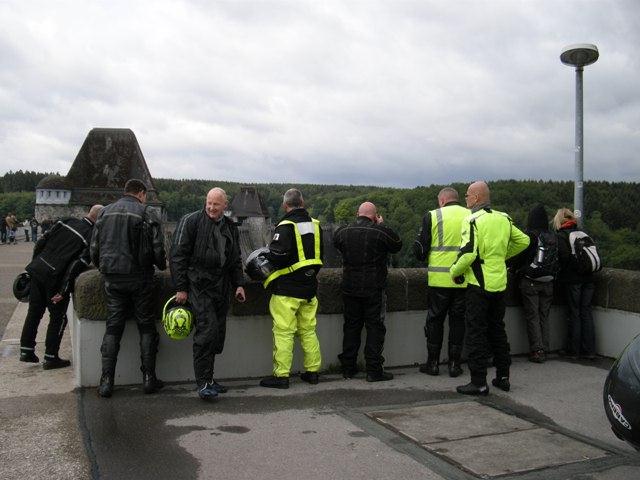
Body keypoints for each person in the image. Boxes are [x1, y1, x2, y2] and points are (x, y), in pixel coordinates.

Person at [450, 181, 530, 395]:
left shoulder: (473, 220)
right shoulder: (503, 218)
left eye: (467, 195)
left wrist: (454, 272)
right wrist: (501, 256)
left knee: (476, 332)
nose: (466, 198)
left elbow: (468, 254)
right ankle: (503, 377)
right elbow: (524, 241)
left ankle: (478, 382)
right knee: (497, 330)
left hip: (478, 285)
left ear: (476, 198)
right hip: (500, 284)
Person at [91, 179, 167, 398]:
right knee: (146, 327)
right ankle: (149, 379)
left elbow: (94, 248)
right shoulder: (147, 212)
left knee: (113, 328)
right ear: (141, 193)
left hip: (113, 278)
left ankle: (106, 381)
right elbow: (157, 248)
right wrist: (162, 265)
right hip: (140, 278)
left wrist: (102, 267)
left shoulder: (105, 212)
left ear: (125, 192)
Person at [170, 187, 246, 400]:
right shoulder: (191, 221)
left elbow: (235, 259)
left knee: (217, 335)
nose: (211, 208)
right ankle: (203, 383)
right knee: (206, 332)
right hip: (198, 285)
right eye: (209, 203)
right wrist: (181, 287)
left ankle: (210, 379)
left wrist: (239, 284)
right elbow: (177, 256)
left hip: (221, 287)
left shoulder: (230, 227)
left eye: (216, 204)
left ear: (225, 206)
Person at [19, 205, 103, 368]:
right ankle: (51, 357)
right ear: (99, 220)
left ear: (89, 213)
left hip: (39, 270)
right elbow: (76, 265)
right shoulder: (91, 236)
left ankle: (26, 350)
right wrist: (63, 290)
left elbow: (41, 242)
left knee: (34, 312)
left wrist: (35, 264)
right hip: (55, 278)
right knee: (58, 317)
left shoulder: (66, 221)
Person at [260, 188, 323, 389]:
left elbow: (277, 256)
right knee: (308, 331)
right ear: (302, 203)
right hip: (309, 288)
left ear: (285, 205)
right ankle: (312, 373)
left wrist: (267, 254)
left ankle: (281, 376)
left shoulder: (286, 226)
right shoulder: (316, 225)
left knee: (284, 332)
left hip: (286, 291)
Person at [333, 201, 402, 381]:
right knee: (375, 328)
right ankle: (373, 370)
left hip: (350, 287)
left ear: (357, 214)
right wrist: (382, 225)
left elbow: (335, 242)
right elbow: (397, 244)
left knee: (351, 327)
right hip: (374, 288)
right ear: (375, 216)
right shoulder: (379, 232)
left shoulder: (343, 231)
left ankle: (348, 368)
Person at [413, 187, 469, 377]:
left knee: (435, 321)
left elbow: (420, 250)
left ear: (442, 200)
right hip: (462, 279)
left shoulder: (433, 215)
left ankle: (433, 363)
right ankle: (454, 364)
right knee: (458, 322)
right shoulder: (470, 215)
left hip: (438, 280)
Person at [510, 204, 558, 363]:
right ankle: (546, 347)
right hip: (549, 281)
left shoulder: (530, 236)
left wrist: (515, 269)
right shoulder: (552, 236)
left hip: (531, 281)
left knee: (533, 316)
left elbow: (519, 257)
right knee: (544, 316)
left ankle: (537, 350)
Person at [553, 208, 596, 360]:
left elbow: (564, 258)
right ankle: (589, 350)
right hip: (589, 278)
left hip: (573, 280)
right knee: (586, 313)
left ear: (559, 221)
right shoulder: (583, 233)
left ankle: (573, 350)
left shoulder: (562, 236)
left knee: (574, 313)